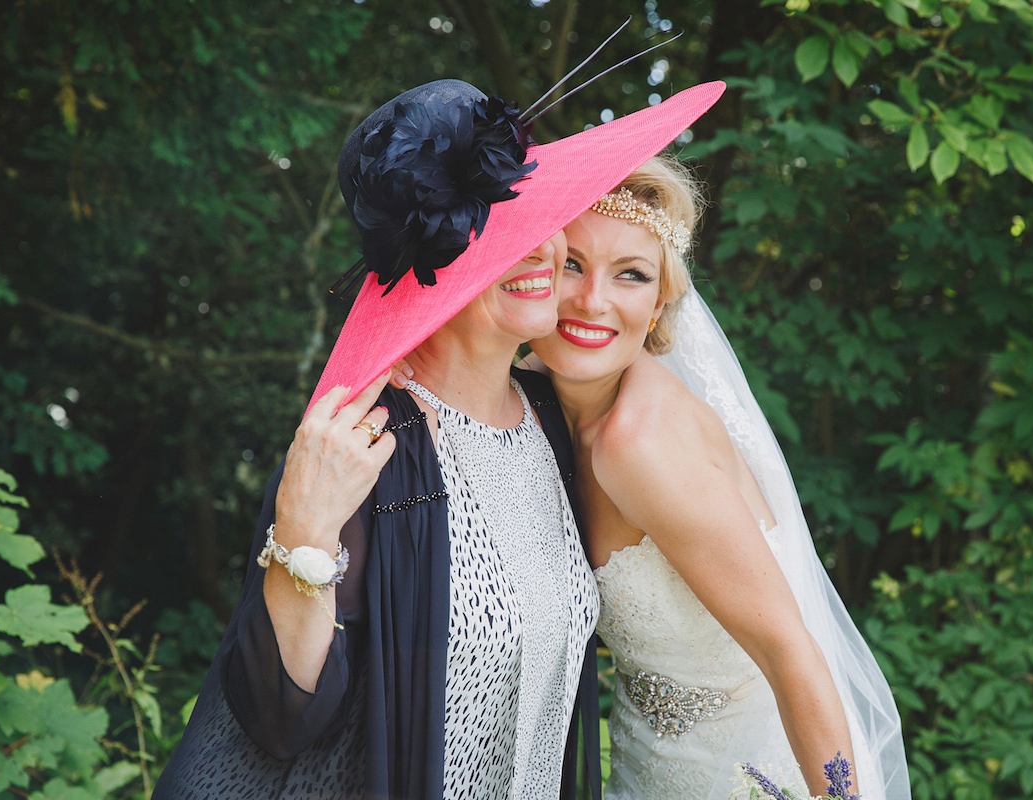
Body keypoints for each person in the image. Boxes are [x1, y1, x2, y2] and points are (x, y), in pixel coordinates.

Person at [153, 80, 724, 800]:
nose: (539, 248)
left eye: (538, 215)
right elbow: (280, 717)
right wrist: (302, 529)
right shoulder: (364, 447)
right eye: (495, 228)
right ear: (428, 264)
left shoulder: (555, 419)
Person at [527, 155, 911, 799]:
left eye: (631, 275)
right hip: (641, 756)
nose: (592, 299)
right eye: (571, 264)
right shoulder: (535, 399)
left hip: (743, 767)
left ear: (657, 307)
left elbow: (791, 650)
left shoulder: (639, 445)